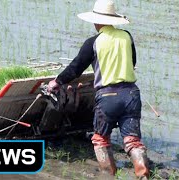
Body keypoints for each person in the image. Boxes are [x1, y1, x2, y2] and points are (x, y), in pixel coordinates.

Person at [47, 0, 150, 179]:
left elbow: (75, 68)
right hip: (132, 94)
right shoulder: (127, 36)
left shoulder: (93, 42)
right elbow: (132, 62)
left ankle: (109, 174)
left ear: (96, 21)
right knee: (132, 141)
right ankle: (142, 174)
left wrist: (56, 81)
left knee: (100, 139)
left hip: (108, 96)